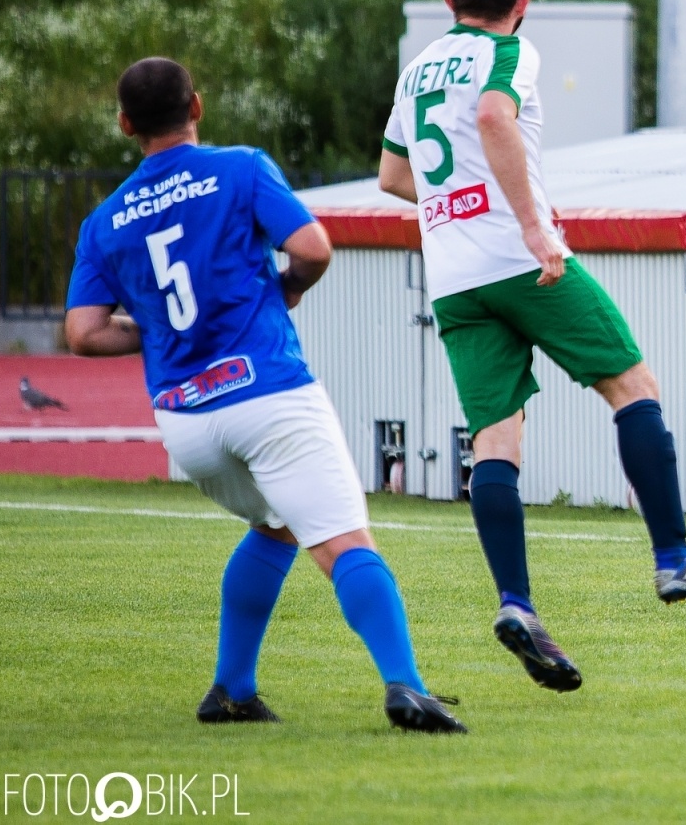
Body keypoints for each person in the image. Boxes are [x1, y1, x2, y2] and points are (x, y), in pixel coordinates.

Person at [378, 0, 686, 693]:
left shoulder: (417, 70)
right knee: (632, 385)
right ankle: (674, 558)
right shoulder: (508, 52)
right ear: (522, 3)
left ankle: (517, 604)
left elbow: (391, 176)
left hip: (452, 275)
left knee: (495, 441)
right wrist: (531, 226)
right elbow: (494, 117)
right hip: (521, 261)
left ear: (448, 0)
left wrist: (458, 205)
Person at [65, 57, 466, 732]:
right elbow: (313, 248)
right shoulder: (241, 168)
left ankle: (230, 690)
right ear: (197, 106)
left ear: (126, 124)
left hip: (186, 421)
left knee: (277, 525)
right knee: (346, 541)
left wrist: (159, 331)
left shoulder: (104, 222)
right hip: (265, 391)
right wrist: (287, 289)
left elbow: (83, 333)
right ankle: (406, 686)